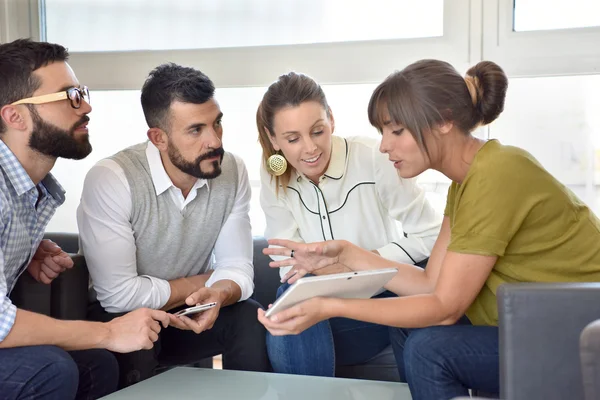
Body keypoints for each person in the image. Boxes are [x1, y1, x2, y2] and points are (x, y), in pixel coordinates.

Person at [257, 59, 600, 399]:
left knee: (429, 349)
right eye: (383, 132)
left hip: (577, 329)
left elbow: (445, 307)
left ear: (443, 121)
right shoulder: (464, 184)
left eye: (397, 131)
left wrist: (330, 306)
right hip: (541, 323)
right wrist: (347, 252)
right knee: (411, 330)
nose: (384, 146)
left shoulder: (498, 173)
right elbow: (428, 283)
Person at [77, 63, 270, 388]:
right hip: (119, 320)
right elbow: (118, 297)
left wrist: (218, 294)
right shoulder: (112, 178)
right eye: (196, 130)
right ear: (159, 138)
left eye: (217, 123)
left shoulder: (231, 171)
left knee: (249, 318)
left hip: (188, 312)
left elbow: (237, 268)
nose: (214, 141)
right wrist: (201, 282)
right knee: (139, 336)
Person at [0, 38, 171, 400]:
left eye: (82, 92)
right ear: (14, 115)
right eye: (69, 96)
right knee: (51, 370)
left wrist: (21, 251)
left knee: (97, 364)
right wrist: (109, 333)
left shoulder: (30, 192)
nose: (86, 106)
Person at [256, 71, 442, 377]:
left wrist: (358, 264)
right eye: (292, 139)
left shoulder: (374, 157)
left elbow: (431, 234)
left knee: (288, 316)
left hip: (380, 300)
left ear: (331, 119)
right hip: (322, 310)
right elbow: (283, 255)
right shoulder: (272, 174)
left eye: (317, 131)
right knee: (284, 308)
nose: (310, 148)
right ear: (274, 139)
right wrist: (325, 272)